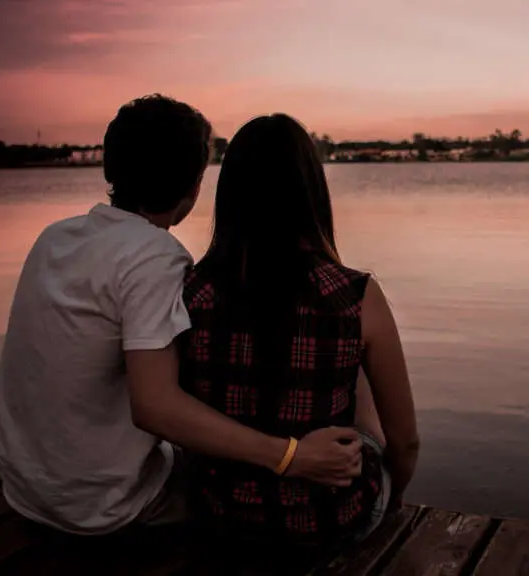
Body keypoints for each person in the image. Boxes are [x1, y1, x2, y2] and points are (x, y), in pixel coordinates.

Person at [0, 96, 363, 536]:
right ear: (194, 186)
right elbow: (155, 408)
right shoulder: (155, 257)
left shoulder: (54, 238)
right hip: (102, 505)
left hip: (24, 487)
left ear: (110, 169)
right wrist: (290, 456)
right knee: (238, 486)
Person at [178, 114, 420, 548]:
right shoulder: (354, 294)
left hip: (220, 515)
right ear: (312, 191)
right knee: (358, 372)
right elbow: (406, 443)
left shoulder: (190, 291)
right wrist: (394, 495)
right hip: (326, 521)